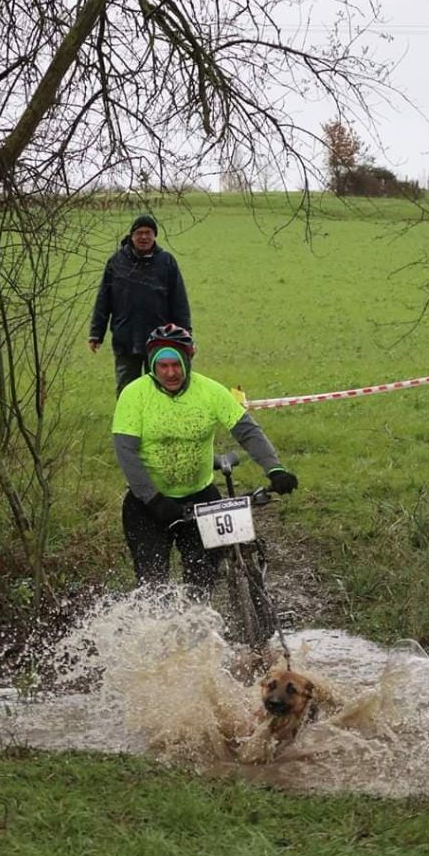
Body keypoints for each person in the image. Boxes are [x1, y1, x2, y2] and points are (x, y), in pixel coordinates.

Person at [112, 323, 298, 597]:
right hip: (148, 504)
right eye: (162, 366)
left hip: (201, 499)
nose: (170, 372)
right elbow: (125, 451)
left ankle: (199, 630)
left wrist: (275, 468)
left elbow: (247, 431)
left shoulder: (210, 391)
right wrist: (152, 498)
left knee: (202, 581)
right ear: (152, 365)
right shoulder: (134, 395)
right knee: (152, 586)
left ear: (187, 361)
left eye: (176, 365)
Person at [88, 214, 191, 395]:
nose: (144, 237)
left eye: (148, 233)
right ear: (131, 236)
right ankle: (127, 423)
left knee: (161, 389)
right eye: (139, 233)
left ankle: (160, 423)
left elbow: (179, 301)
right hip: (125, 339)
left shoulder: (166, 262)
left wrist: (185, 334)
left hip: (161, 340)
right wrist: (96, 333)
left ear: (154, 236)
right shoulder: (116, 262)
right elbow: (104, 299)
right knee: (127, 391)